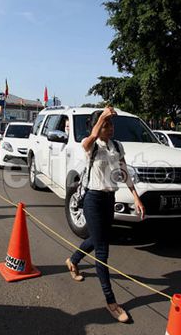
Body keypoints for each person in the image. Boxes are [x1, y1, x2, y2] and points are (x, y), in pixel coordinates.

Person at [65, 107, 146, 323]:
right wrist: (101, 117)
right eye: (105, 125)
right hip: (92, 199)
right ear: (97, 126)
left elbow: (124, 172)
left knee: (99, 239)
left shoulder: (117, 146)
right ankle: (111, 301)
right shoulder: (90, 145)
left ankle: (73, 260)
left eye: (111, 125)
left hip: (110, 198)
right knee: (102, 250)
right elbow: (88, 140)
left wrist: (136, 197)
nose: (109, 129)